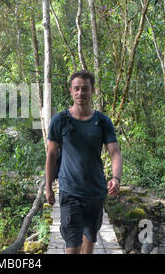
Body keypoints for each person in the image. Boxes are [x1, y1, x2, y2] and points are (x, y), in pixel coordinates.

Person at [45, 70, 122, 254]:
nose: (81, 93)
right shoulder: (60, 121)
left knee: (89, 239)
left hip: (95, 191)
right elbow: (51, 155)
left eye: (85, 89)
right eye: (77, 89)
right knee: (72, 244)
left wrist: (116, 178)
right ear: (71, 91)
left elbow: (115, 152)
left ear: (92, 91)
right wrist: (48, 187)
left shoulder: (103, 122)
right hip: (69, 190)